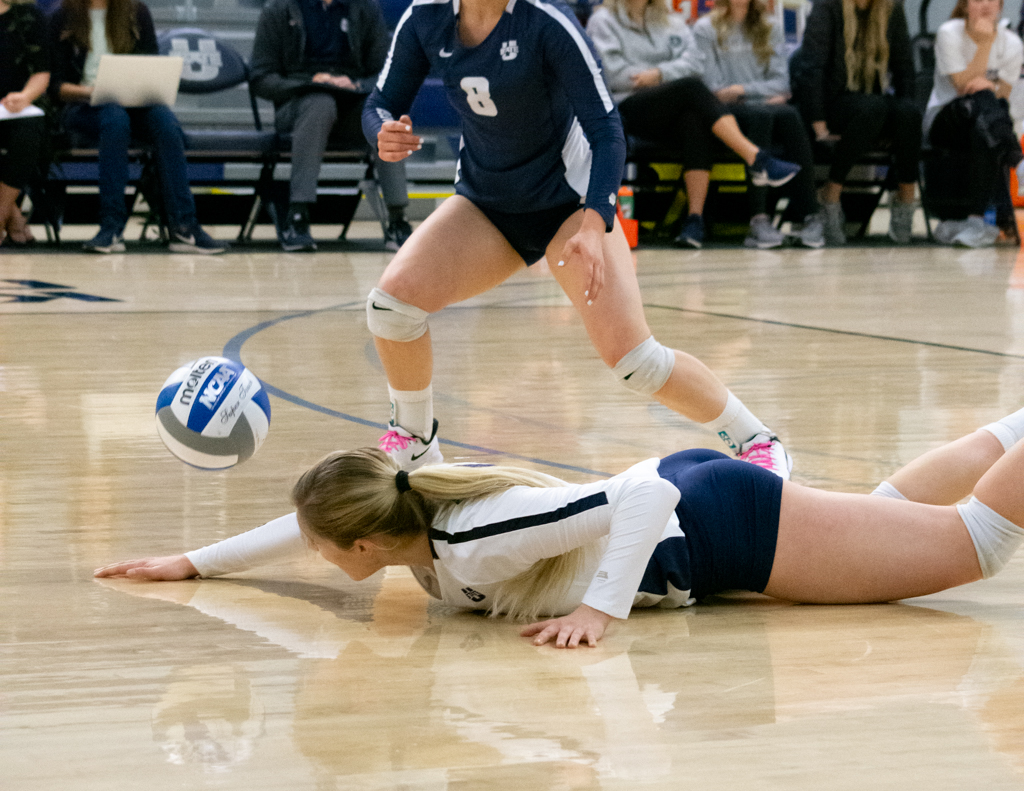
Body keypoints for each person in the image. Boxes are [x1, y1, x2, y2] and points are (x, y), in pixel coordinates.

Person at [357, 0, 792, 478]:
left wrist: (594, 221)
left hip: (570, 204)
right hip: (489, 203)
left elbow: (607, 125)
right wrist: (382, 129)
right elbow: (378, 101)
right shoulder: (427, 16)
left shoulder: (545, 22)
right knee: (391, 307)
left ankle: (756, 439)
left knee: (634, 360)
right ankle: (415, 436)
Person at [95, 400, 1024, 651]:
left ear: (366, 548)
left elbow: (641, 502)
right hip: (702, 515)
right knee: (902, 517)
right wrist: (194, 562)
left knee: (972, 545)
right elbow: (304, 524)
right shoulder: (402, 516)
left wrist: (603, 614)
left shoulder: (467, 540)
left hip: (705, 519)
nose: (314, 553)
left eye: (325, 548)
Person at [585, 0, 800, 250]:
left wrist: (658, 74)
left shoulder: (671, 21)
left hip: (667, 109)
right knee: (689, 89)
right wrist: (666, 74)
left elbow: (694, 63)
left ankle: (694, 221)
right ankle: (757, 158)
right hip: (627, 108)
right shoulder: (603, 20)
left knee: (694, 119)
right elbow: (616, 74)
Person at [50, 0, 226, 255]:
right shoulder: (64, 15)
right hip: (84, 106)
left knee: (166, 124)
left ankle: (184, 227)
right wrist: (89, 91)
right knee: (114, 119)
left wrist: (139, 87)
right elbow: (55, 85)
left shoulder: (136, 13)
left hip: (132, 101)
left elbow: (151, 65)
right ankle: (111, 228)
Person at [250, 0, 411, 253]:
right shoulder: (279, 8)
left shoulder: (365, 7)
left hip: (351, 108)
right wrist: (312, 83)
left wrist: (351, 85)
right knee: (319, 102)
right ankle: (297, 216)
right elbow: (261, 78)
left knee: (384, 117)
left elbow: (386, 74)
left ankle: (398, 220)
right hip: (297, 109)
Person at [789, 0, 920, 246]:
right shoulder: (828, 5)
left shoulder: (891, 7)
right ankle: (831, 194)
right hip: (833, 102)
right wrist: (818, 121)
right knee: (873, 107)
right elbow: (813, 68)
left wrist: (906, 115)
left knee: (908, 111)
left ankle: (905, 199)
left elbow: (904, 67)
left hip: (870, 100)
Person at [692, 0, 824, 249]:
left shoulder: (770, 28)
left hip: (757, 107)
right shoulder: (705, 29)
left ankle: (810, 216)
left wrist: (740, 89)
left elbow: (782, 84)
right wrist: (756, 93)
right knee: (767, 114)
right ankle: (758, 220)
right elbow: (713, 88)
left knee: (789, 114)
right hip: (723, 115)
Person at [923, 0, 1024, 248]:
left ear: (1001, 4)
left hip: (982, 125)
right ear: (965, 6)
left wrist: (988, 87)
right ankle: (1019, 163)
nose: (985, 5)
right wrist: (985, 44)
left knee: (987, 119)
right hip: (945, 122)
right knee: (978, 101)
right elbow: (961, 86)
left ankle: (977, 223)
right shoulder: (949, 33)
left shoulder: (1013, 43)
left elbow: (1004, 93)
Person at [0, 0, 48, 247]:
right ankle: (13, 214)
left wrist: (25, 96)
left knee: (32, 123)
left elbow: (42, 72)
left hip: (13, 107)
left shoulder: (28, 14)